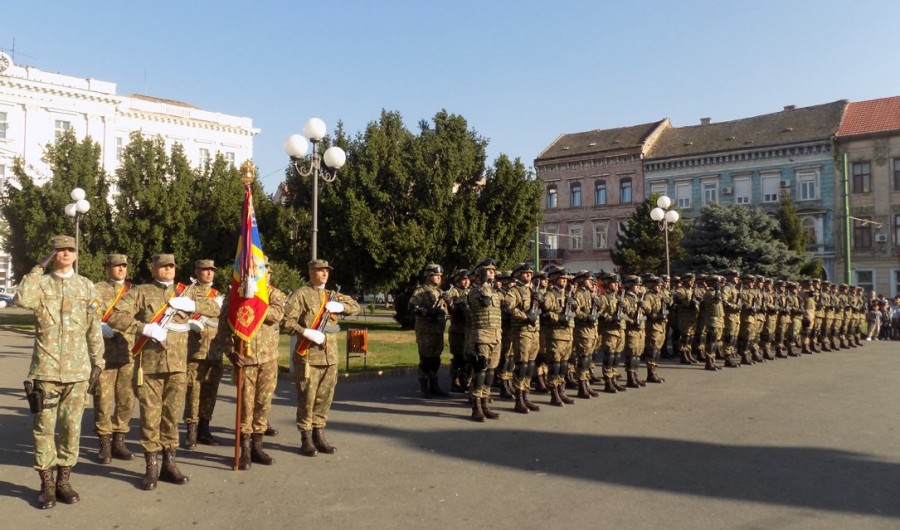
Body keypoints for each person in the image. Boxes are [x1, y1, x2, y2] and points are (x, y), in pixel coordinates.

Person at [108, 253, 220, 491]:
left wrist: (193, 305)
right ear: (153, 268)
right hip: (149, 367)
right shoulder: (142, 291)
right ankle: (151, 467)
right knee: (150, 418)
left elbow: (216, 308)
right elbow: (114, 315)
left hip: (179, 366)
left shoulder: (186, 292)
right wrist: (143, 328)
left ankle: (170, 464)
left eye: (171, 266)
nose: (168, 270)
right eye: (163, 266)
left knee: (171, 416)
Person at [16, 235, 105, 509]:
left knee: (71, 429)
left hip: (78, 373)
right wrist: (37, 266)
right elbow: (22, 299)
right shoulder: (41, 284)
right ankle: (46, 484)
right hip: (46, 371)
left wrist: (98, 362)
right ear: (53, 253)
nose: (65, 253)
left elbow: (94, 327)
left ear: (76, 254)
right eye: (59, 250)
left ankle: (64, 481)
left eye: (70, 249)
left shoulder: (86, 286)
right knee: (43, 429)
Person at [282, 259, 360, 455]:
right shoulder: (301, 294)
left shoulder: (331, 295)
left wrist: (341, 308)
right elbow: (286, 322)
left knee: (325, 398)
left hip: (330, 357)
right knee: (307, 398)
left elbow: (355, 306)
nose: (324, 274)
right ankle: (306, 437)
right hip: (308, 356)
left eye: (326, 270)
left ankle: (319, 433)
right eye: (320, 270)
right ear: (310, 272)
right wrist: (305, 332)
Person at [217, 263, 286, 470]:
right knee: (245, 405)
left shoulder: (274, 294)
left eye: (262, 271)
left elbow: (277, 315)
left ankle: (258, 446)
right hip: (244, 358)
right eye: (254, 271)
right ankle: (245, 450)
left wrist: (255, 300)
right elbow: (223, 327)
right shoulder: (234, 296)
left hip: (268, 359)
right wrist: (230, 352)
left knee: (263, 403)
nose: (258, 274)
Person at [93, 254, 136, 464]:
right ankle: (104, 444)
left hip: (128, 352)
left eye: (124, 266)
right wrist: (98, 327)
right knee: (103, 399)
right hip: (105, 353)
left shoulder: (134, 291)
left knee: (126, 399)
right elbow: (88, 314)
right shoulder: (97, 289)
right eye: (116, 265)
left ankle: (119, 441)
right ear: (108, 267)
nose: (120, 269)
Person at [183, 260, 225, 448]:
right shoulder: (188, 292)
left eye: (211, 270)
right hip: (195, 350)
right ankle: (191, 431)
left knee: (210, 392)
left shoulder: (219, 295)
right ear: (197, 271)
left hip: (214, 351)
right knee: (193, 392)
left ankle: (204, 429)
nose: (208, 273)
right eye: (205, 270)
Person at [465, 259, 504, 421]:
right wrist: (483, 283)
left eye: (493, 271)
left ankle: (485, 403)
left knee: (490, 372)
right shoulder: (475, 291)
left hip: (496, 335)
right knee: (480, 370)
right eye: (488, 271)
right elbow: (484, 302)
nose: (492, 274)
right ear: (480, 273)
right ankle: (476, 406)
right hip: (482, 336)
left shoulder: (495, 292)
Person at [503, 262, 542, 413]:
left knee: (530, 365)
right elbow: (509, 307)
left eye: (530, 273)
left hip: (534, 332)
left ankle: (526, 396)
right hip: (522, 332)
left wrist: (541, 300)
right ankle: (519, 399)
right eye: (526, 273)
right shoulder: (515, 291)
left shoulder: (533, 290)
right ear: (518, 274)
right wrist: (525, 316)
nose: (529, 276)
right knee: (522, 365)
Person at [408, 263, 449, 398]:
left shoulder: (440, 292)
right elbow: (412, 307)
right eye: (436, 275)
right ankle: (424, 385)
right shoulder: (421, 291)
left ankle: (434, 384)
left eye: (440, 276)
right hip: (425, 330)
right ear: (428, 276)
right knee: (426, 359)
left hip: (438, 330)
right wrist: (428, 312)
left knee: (436, 359)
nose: (438, 278)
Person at [446, 269, 471, 393]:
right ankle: (454, 381)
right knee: (458, 357)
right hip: (457, 330)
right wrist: (454, 304)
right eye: (463, 279)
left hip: (469, 330)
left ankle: (465, 380)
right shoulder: (453, 291)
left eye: (467, 279)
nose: (466, 282)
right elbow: (449, 310)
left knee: (468, 358)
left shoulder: (471, 291)